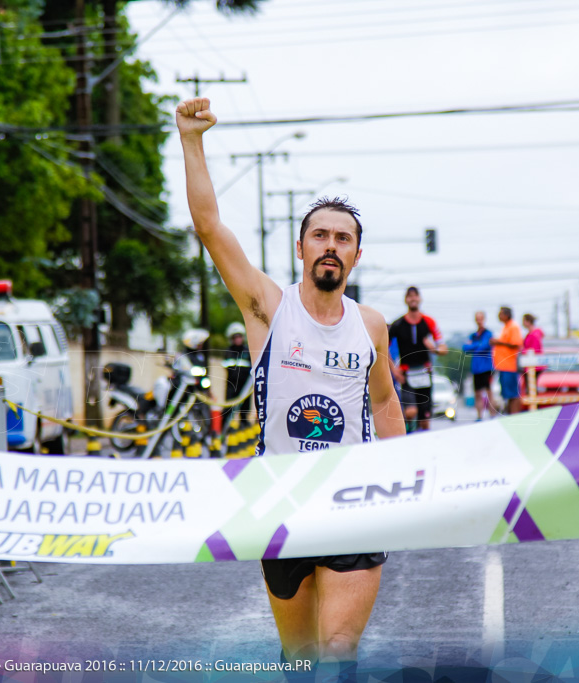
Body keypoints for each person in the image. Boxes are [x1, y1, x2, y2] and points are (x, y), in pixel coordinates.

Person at [176, 98, 405, 672]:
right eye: (320, 235)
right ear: (301, 248)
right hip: (280, 507)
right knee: (301, 658)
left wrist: (406, 484)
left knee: (337, 651)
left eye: (343, 238)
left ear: (355, 253)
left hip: (355, 505)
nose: (331, 245)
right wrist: (191, 140)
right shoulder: (267, 309)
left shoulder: (371, 324)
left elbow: (384, 402)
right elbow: (209, 228)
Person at [389, 286, 448, 432]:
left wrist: (433, 348)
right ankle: (407, 432)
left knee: (425, 420)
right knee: (410, 412)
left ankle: (423, 445)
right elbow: (382, 348)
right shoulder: (398, 324)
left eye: (415, 296)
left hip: (424, 373)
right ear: (405, 300)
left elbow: (443, 348)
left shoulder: (429, 322)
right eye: (410, 296)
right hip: (406, 374)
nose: (413, 299)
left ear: (420, 299)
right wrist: (394, 370)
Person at [462, 311, 497, 421]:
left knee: (489, 391)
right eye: (477, 318)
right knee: (477, 393)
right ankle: (479, 415)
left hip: (486, 367)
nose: (479, 320)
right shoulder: (473, 335)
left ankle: (492, 414)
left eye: (481, 318)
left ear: (484, 319)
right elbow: (465, 348)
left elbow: (485, 345)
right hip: (476, 369)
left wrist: (473, 346)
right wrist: (477, 345)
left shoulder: (488, 333)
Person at [490, 306, 522, 413]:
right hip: (503, 366)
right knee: (507, 394)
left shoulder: (513, 327)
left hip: (509, 366)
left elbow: (515, 344)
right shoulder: (505, 327)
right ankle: (511, 415)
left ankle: (515, 415)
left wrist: (498, 342)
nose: (499, 316)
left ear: (506, 315)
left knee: (513, 393)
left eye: (501, 314)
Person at [221, 321, 252, 425]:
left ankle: (243, 429)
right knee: (227, 411)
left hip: (245, 387)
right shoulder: (228, 352)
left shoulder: (248, 351)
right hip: (231, 386)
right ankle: (224, 430)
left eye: (239, 336)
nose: (238, 339)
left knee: (244, 412)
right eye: (235, 337)